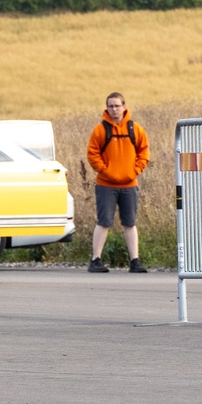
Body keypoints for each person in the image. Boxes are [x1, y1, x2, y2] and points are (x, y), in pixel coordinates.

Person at [86, 92, 150, 274]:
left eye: (117, 106)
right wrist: (105, 171)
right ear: (106, 108)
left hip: (129, 184)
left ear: (124, 107)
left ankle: (135, 261)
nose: (114, 109)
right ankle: (96, 260)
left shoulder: (135, 129)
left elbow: (144, 153)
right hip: (106, 185)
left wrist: (135, 171)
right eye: (110, 106)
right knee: (104, 222)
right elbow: (92, 154)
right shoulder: (100, 130)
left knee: (130, 222)